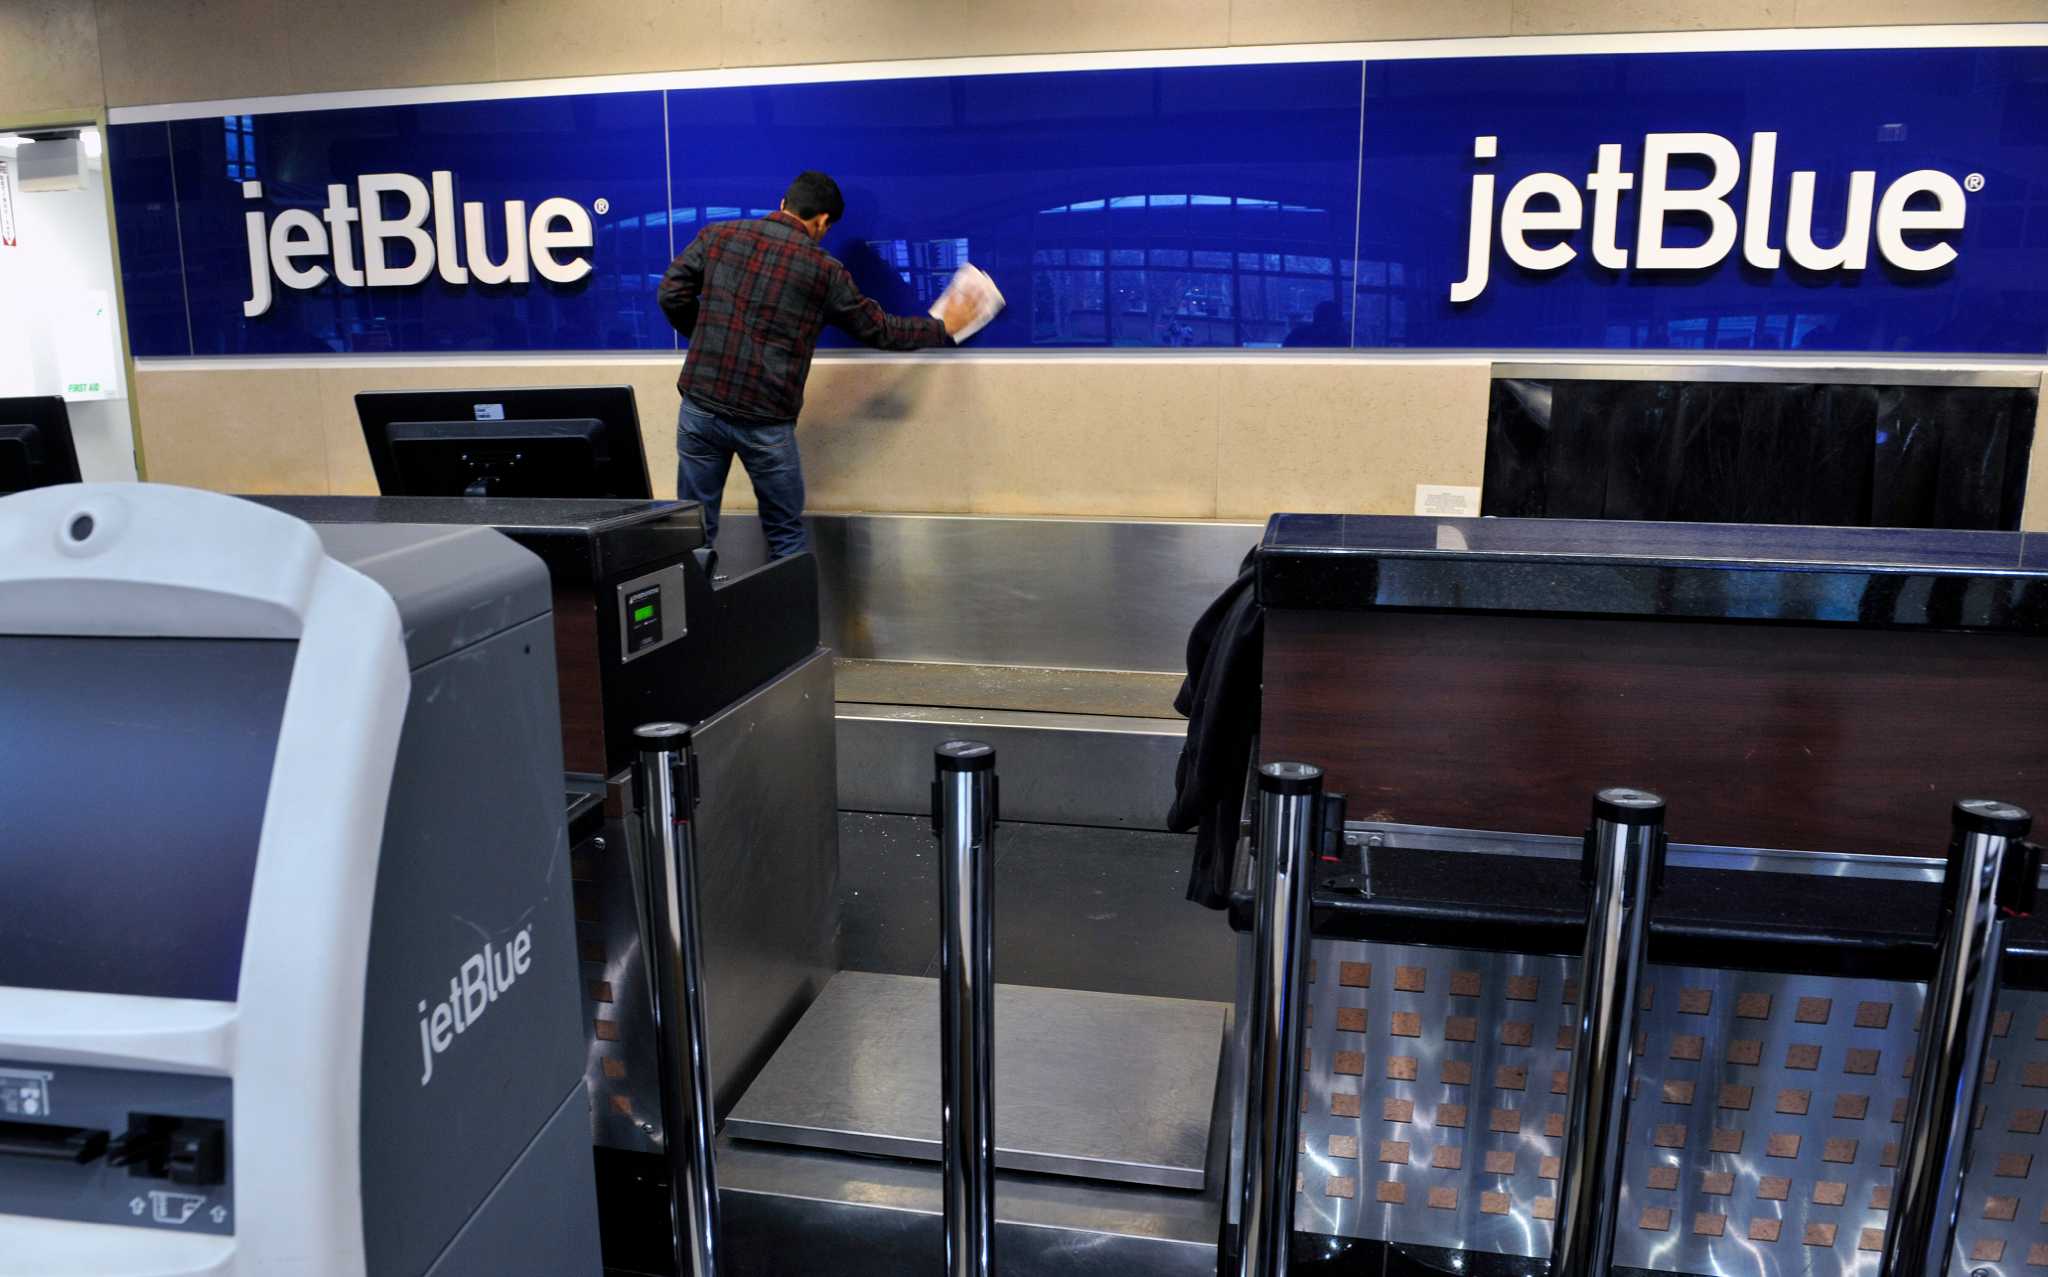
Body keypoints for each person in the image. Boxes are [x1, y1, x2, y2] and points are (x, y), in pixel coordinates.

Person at [658, 171, 980, 558]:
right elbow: (880, 330)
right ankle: (792, 618)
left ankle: (694, 618)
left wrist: (706, 341)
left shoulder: (718, 237)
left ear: (783, 202)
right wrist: (943, 327)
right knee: (785, 535)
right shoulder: (823, 270)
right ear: (823, 221)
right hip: (765, 421)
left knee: (695, 532)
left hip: (701, 410)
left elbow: (671, 292)